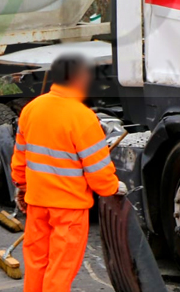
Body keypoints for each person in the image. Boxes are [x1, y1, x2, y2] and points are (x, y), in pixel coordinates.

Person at [11, 54, 125, 292]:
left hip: (38, 203)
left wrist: (21, 187)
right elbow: (98, 170)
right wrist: (112, 188)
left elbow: (20, 157)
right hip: (69, 209)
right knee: (61, 269)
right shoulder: (82, 117)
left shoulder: (31, 109)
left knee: (36, 263)